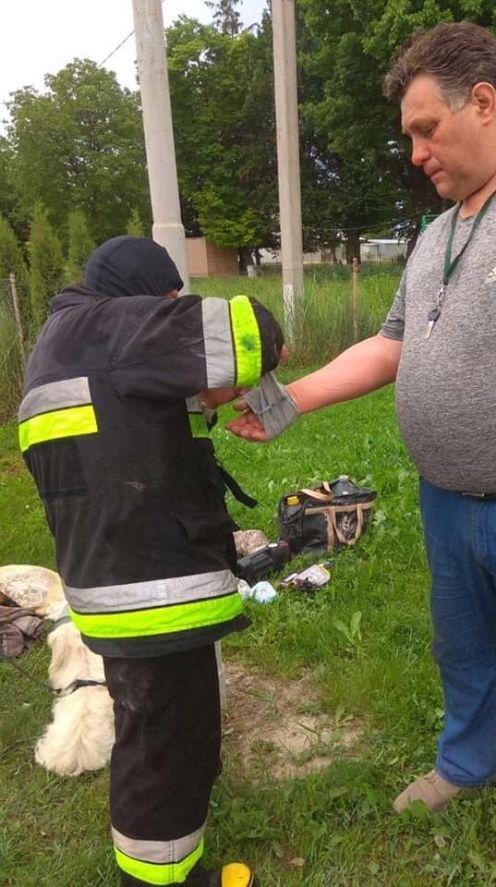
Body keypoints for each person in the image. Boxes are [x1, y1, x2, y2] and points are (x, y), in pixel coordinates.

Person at [227, 22, 496, 887]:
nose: (416, 150)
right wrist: (284, 403)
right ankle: (463, 763)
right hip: (448, 498)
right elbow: (392, 345)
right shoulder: (435, 234)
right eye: (408, 137)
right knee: (461, 654)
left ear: (484, 101)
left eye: (426, 128)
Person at [18, 235, 284, 887]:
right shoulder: (117, 325)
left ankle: (167, 859)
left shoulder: (59, 345)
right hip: (152, 585)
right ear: (144, 300)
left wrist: (204, 395)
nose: (169, 317)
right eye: (169, 305)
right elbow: (257, 331)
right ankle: (160, 878)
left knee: (160, 727)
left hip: (108, 579)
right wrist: (232, 354)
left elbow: (124, 431)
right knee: (161, 743)